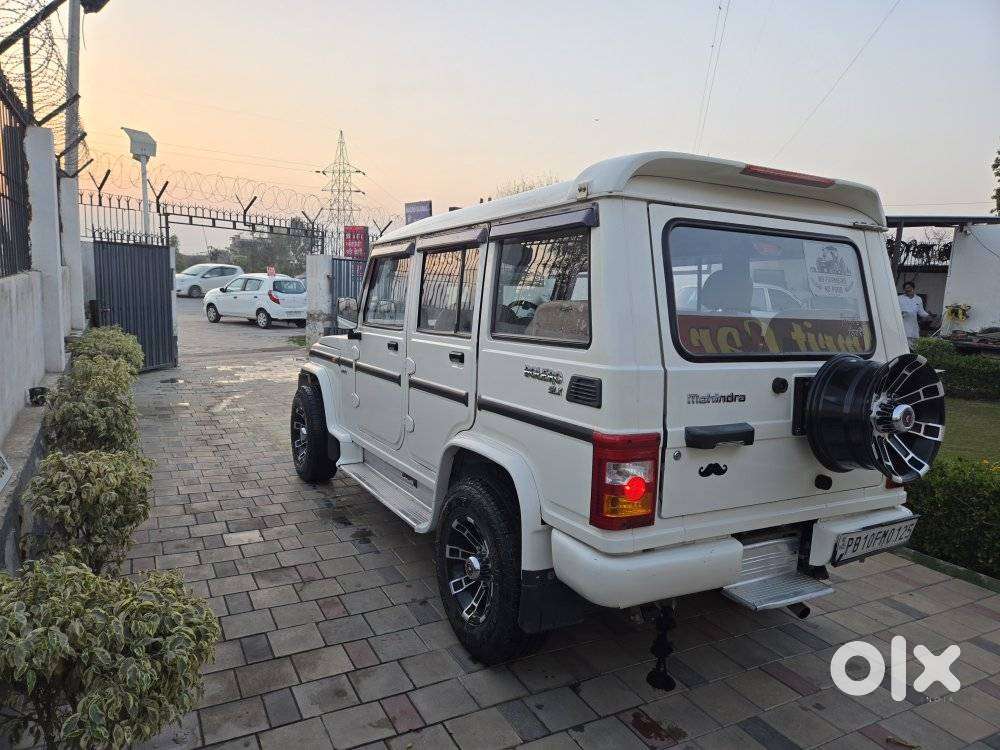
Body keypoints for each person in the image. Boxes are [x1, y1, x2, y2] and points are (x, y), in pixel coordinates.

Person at [898, 281, 931, 347]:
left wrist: (928, 315)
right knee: (904, 346)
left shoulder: (918, 299)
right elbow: (895, 310)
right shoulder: (899, 298)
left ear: (913, 288)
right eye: (905, 288)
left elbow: (921, 312)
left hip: (913, 327)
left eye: (909, 288)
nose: (907, 289)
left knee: (914, 347)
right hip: (902, 326)